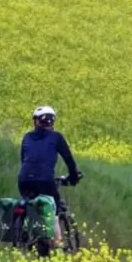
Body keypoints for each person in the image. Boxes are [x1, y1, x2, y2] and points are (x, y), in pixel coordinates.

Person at [19, 105, 82, 245]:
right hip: (45, 181)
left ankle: (24, 234)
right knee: (54, 210)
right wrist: (74, 176)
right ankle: (58, 244)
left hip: (23, 180)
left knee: (30, 204)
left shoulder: (27, 137)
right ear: (52, 122)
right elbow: (69, 160)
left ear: (35, 121)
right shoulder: (56, 137)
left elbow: (24, 160)